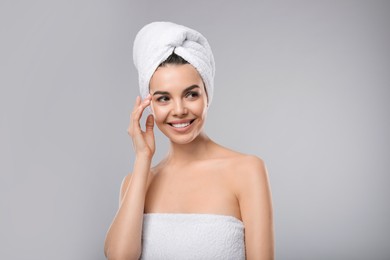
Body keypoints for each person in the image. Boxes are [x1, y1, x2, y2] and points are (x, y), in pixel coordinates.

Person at [104, 21, 274, 260]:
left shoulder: (246, 170)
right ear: (149, 105)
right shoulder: (135, 182)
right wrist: (143, 159)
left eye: (191, 94)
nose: (179, 110)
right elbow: (119, 257)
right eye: (164, 98)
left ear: (207, 96)